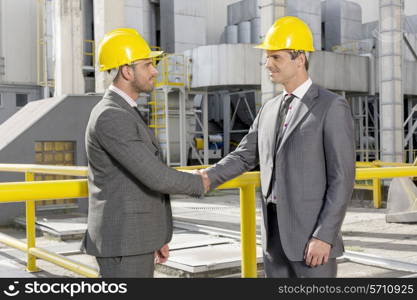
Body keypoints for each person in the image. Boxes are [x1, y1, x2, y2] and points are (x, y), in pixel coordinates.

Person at [199, 16, 355, 277]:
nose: (268, 64)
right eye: (267, 58)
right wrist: (206, 177)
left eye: (276, 57)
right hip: (273, 242)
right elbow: (244, 156)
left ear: (300, 59)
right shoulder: (269, 109)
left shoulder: (331, 106)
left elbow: (342, 178)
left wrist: (324, 236)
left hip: (312, 242)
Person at [81, 28, 208, 277]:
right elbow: (156, 177)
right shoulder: (111, 115)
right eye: (148, 64)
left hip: (136, 239)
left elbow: (134, 180)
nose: (155, 71)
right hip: (124, 242)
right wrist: (202, 181)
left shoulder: (125, 110)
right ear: (127, 71)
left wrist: (156, 236)